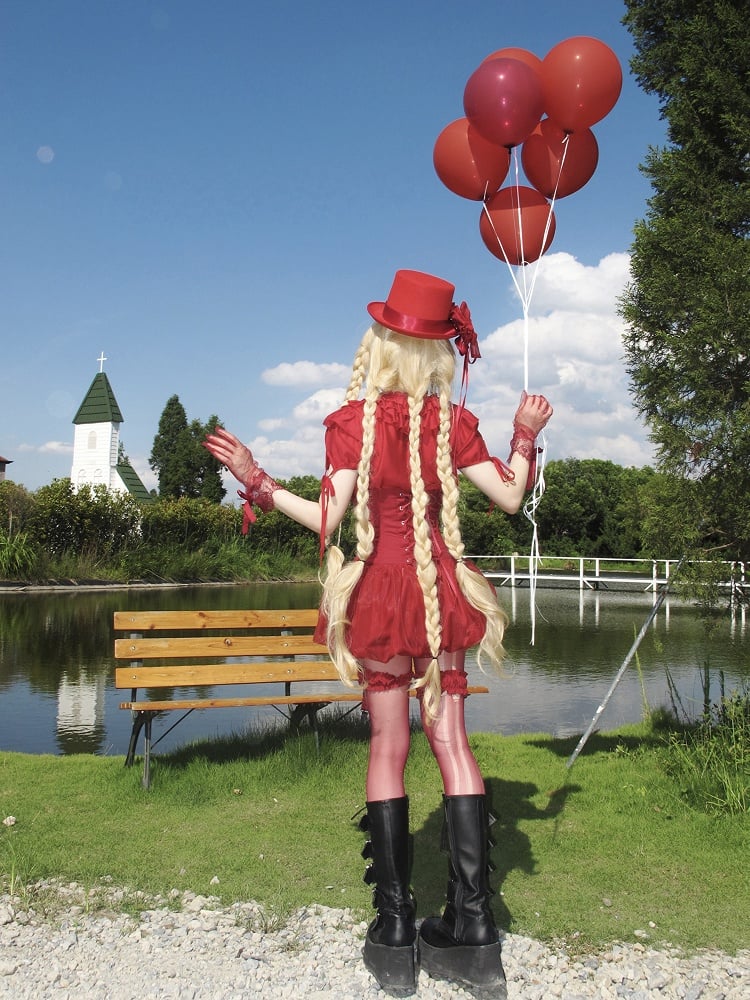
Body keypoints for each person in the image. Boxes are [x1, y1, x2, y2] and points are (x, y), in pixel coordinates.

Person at [203, 269, 552, 996]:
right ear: (438, 356)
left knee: (388, 747)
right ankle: (474, 932)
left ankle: (396, 935)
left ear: (383, 347)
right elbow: (513, 498)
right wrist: (525, 434)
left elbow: (329, 520)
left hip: (380, 598)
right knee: (454, 743)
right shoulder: (455, 426)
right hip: (443, 594)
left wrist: (261, 484)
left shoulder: (351, 424)